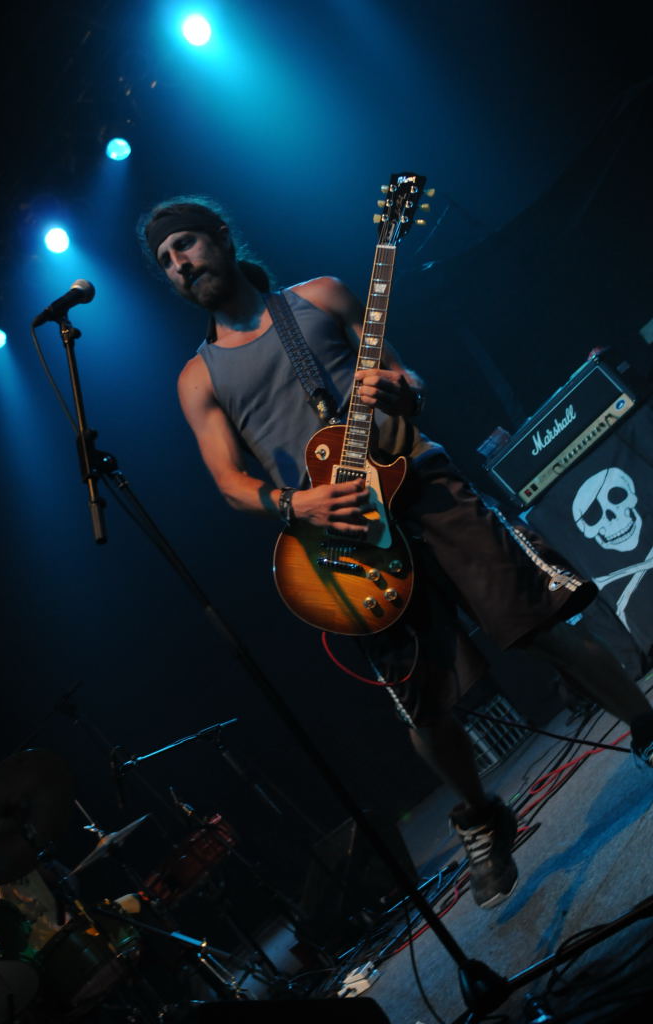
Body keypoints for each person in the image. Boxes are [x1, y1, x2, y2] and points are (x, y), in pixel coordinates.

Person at [136, 195, 653, 910]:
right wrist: (297, 505)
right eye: (166, 260)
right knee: (423, 707)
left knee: (538, 621)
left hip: (423, 484)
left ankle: (645, 726)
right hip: (347, 539)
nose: (180, 264)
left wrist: (405, 392)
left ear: (221, 238)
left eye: (186, 244)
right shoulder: (198, 377)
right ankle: (482, 815)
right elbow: (228, 482)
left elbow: (408, 377)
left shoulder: (320, 297)